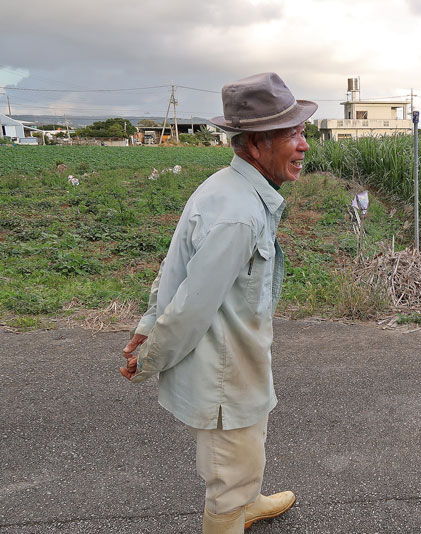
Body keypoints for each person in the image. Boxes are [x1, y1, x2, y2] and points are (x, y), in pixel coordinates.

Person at [119, 72, 317, 534]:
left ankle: (247, 503)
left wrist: (149, 321)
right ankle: (233, 511)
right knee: (230, 472)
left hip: (240, 359)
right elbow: (190, 304)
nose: (304, 144)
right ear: (252, 144)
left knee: (248, 449)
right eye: (290, 134)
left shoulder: (229, 189)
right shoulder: (239, 214)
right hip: (223, 371)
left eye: (301, 131)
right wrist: (149, 356)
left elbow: (175, 266)